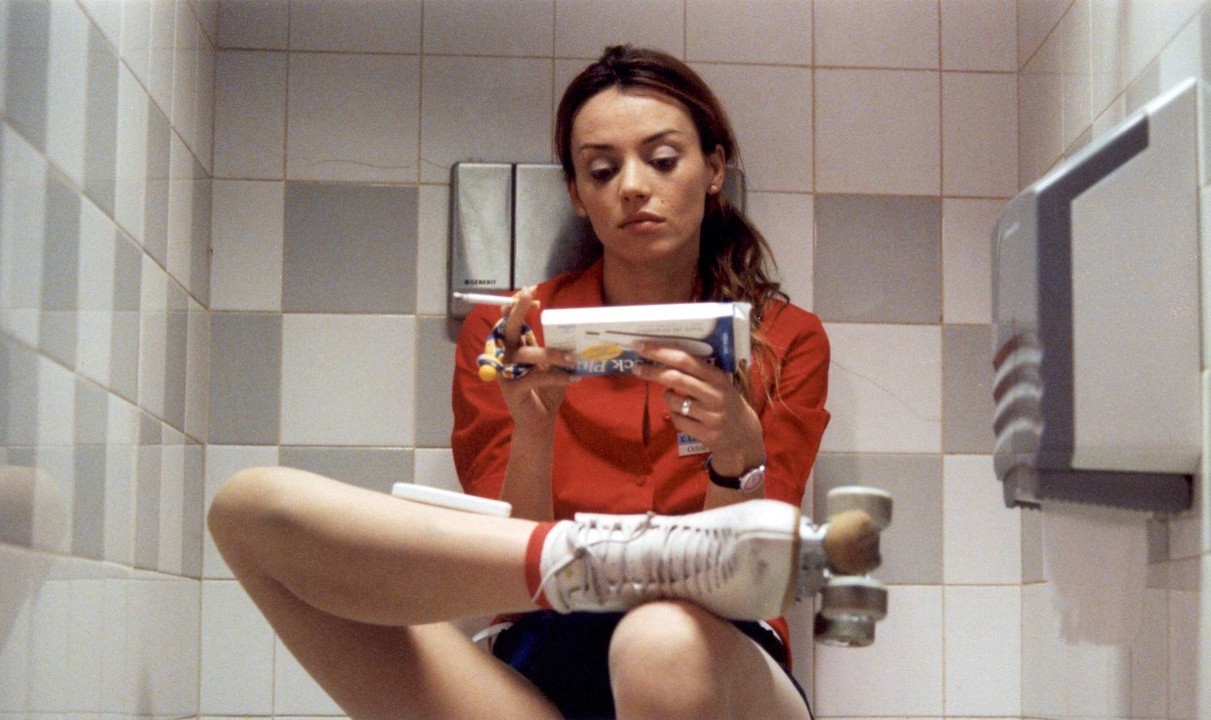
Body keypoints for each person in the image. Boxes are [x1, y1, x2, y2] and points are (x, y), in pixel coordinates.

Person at [209, 45, 836, 720]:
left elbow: (751, 589)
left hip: (720, 665)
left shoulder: (784, 340)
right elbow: (499, 583)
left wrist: (735, 457)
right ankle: (598, 563)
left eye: (661, 160)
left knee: (659, 642)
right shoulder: (511, 335)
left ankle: (609, 564)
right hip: (540, 666)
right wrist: (534, 430)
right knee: (248, 510)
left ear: (713, 169)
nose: (632, 186)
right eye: (602, 170)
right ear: (576, 193)